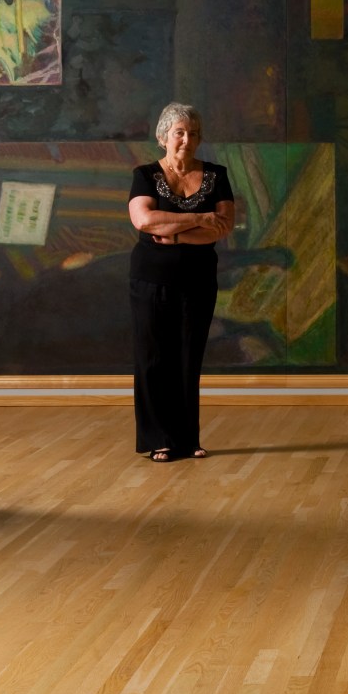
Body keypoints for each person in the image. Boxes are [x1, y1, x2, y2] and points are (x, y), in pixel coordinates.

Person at [128, 102, 235, 462]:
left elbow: (221, 229)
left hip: (198, 279)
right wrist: (200, 218)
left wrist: (174, 234)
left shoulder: (216, 175)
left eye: (193, 133)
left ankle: (188, 438)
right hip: (150, 279)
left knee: (189, 355)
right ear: (163, 137)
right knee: (153, 357)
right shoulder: (144, 174)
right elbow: (144, 221)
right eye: (179, 132)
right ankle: (158, 438)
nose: (186, 139)